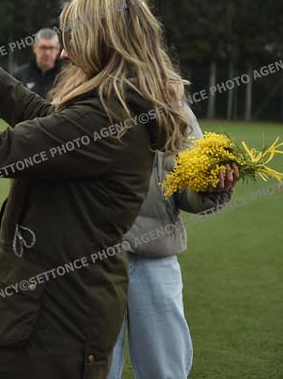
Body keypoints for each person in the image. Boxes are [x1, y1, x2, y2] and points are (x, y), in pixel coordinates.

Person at [0, 0, 195, 377]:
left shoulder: (107, 118)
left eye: (73, 36)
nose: (66, 51)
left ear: (101, 38)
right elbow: (46, 119)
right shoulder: (114, 105)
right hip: (61, 306)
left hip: (54, 316)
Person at [107, 104, 237, 379]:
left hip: (155, 259)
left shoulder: (175, 106)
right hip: (94, 259)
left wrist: (210, 187)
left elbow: (189, 186)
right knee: (94, 368)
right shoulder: (83, 97)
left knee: (165, 370)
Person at [12, 27, 62, 98]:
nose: (47, 53)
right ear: (34, 48)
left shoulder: (65, 76)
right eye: (43, 47)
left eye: (51, 48)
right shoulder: (20, 75)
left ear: (58, 49)